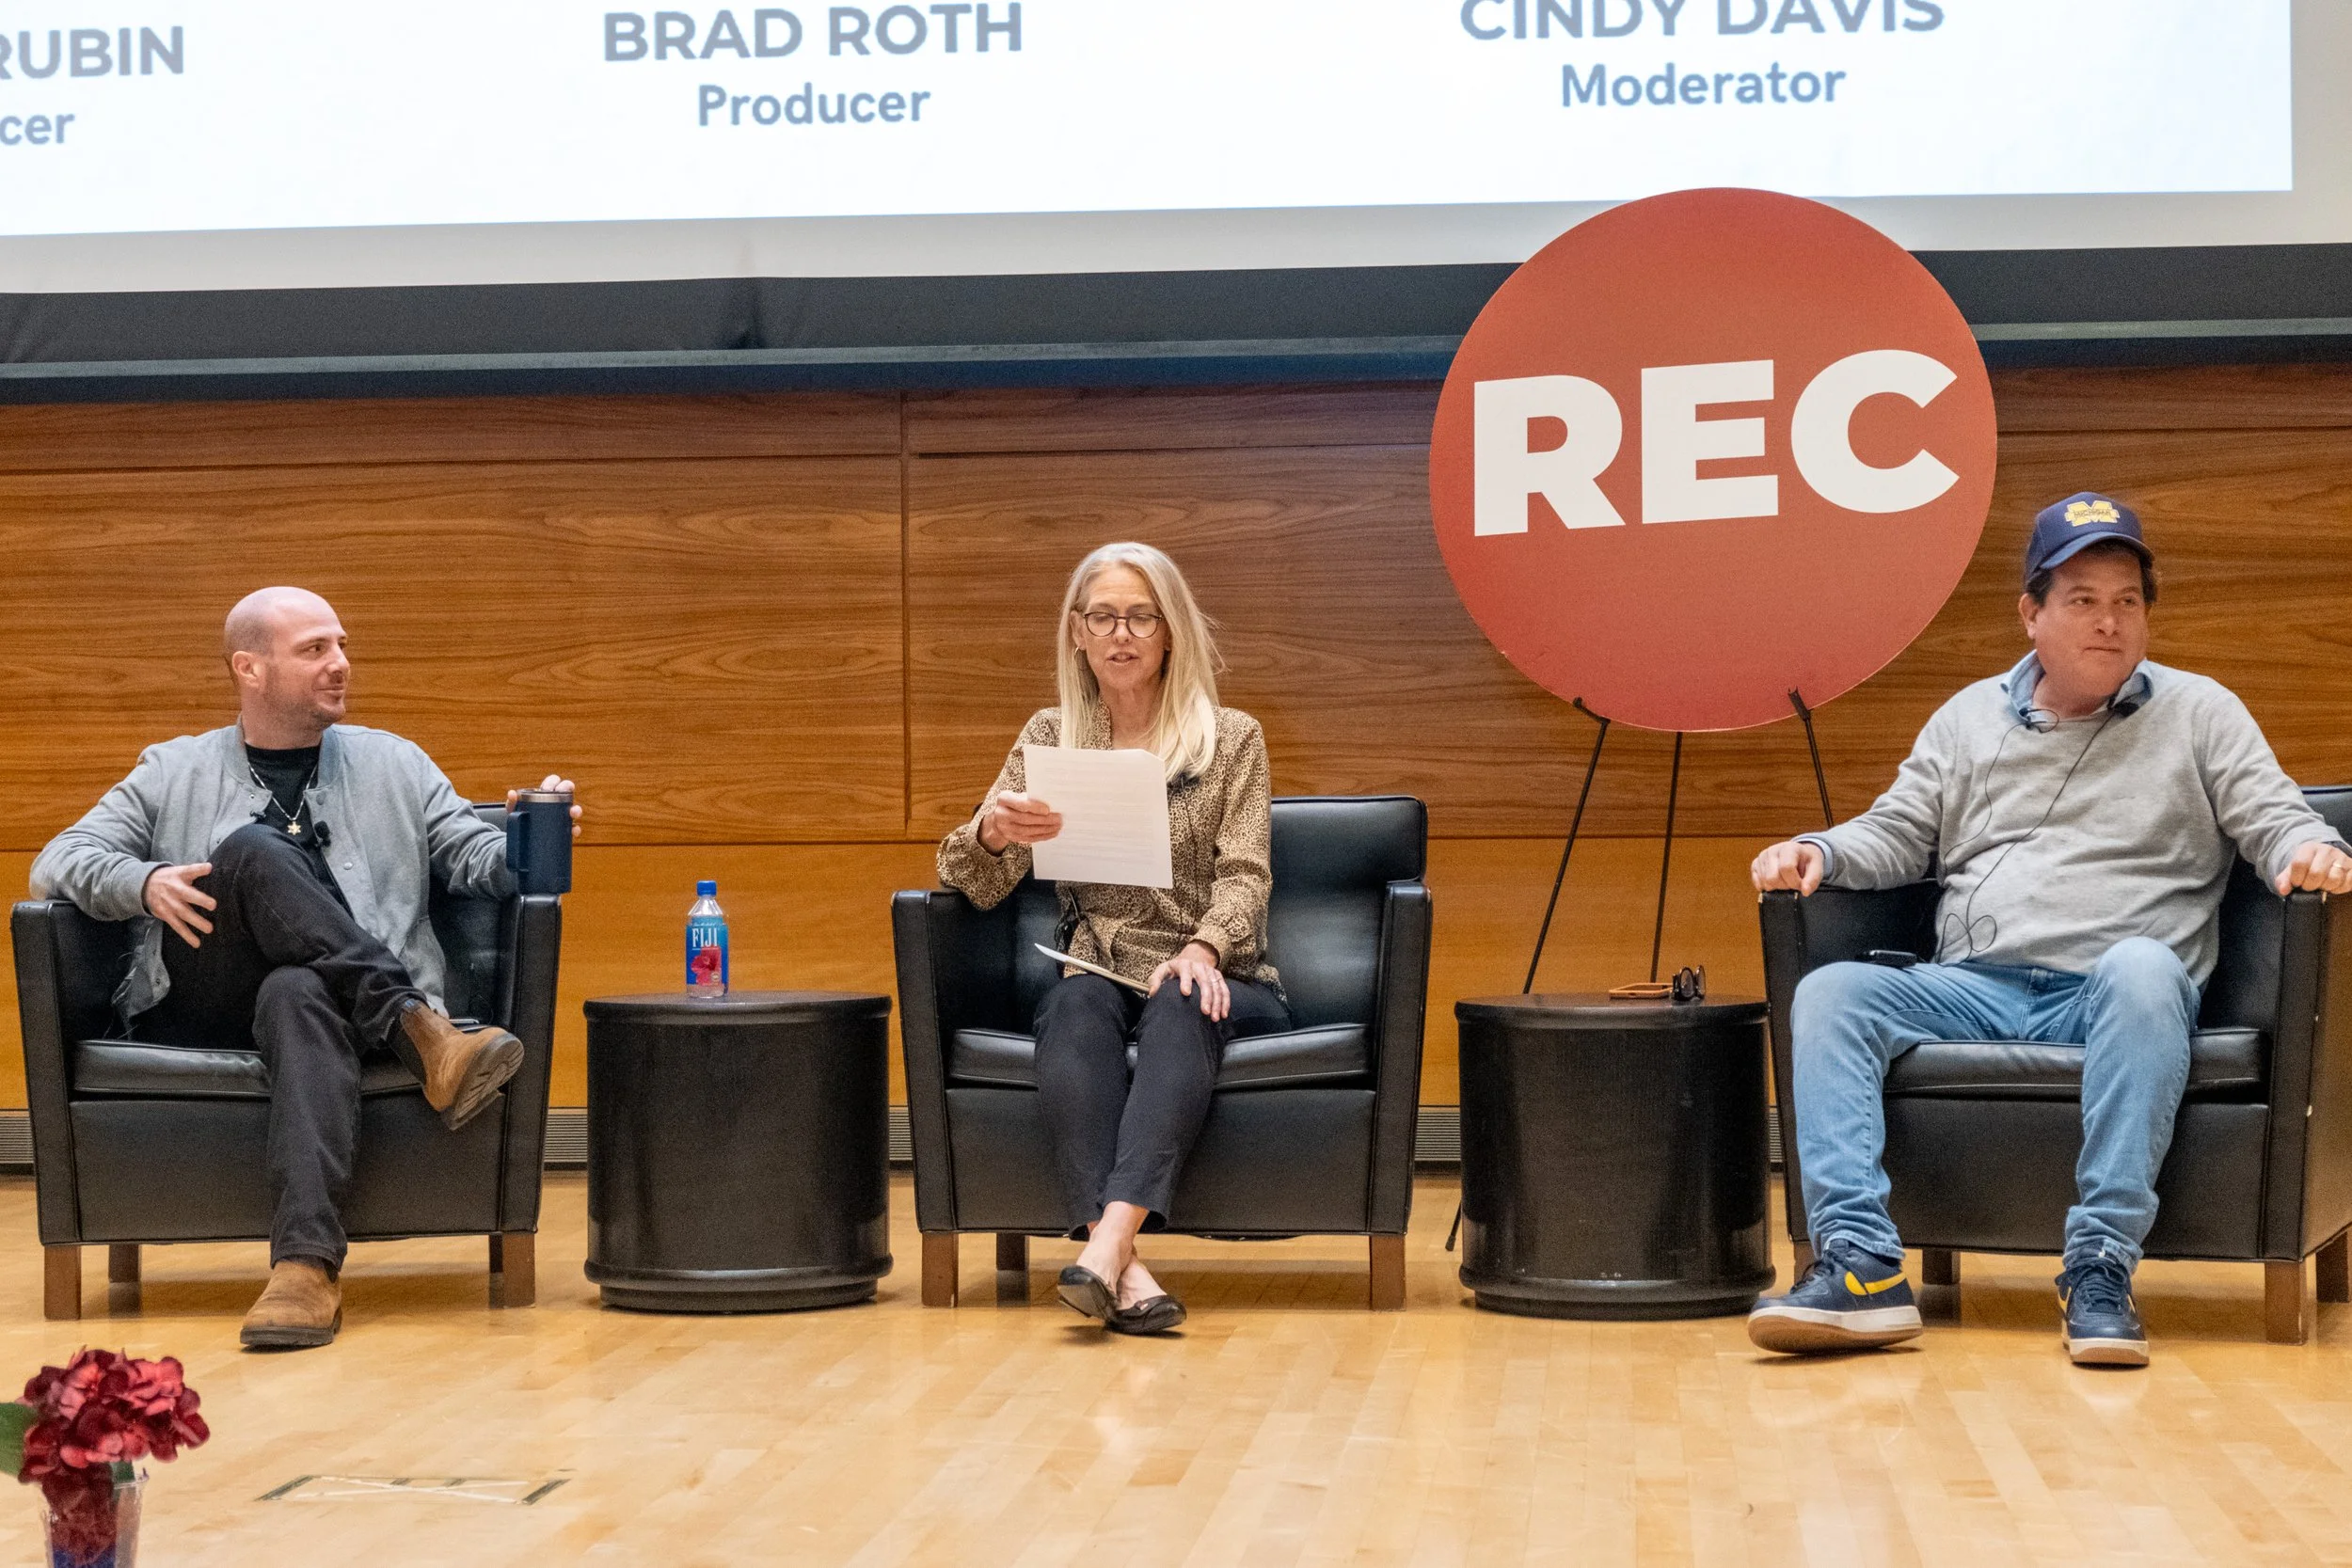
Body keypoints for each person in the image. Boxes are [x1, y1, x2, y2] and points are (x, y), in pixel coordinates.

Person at [1745, 495, 2352, 1368]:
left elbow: (2278, 818)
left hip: (2117, 992)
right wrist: (1818, 850)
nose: (2109, 622)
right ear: (2031, 613)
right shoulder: (1965, 720)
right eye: (2081, 599)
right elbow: (1899, 830)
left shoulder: (2201, 711)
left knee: (2146, 968)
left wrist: (2313, 851)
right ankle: (1862, 1266)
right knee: (1833, 992)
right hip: (1976, 986)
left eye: (2128, 601)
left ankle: (2100, 1264)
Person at [31, 587, 582, 1352]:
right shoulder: (173, 769)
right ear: (249, 667)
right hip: (206, 998)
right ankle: (419, 1030)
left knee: (297, 988)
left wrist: (529, 835)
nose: (341, 664)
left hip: (321, 1013)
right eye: (315, 649)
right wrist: (145, 882)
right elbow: (57, 861)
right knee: (253, 850)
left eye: (343, 645)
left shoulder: (395, 762)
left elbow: (474, 857)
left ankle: (304, 1270)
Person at [937, 542, 1287, 1336]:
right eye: (1104, 616)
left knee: (1177, 998)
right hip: (1095, 962)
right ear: (1077, 633)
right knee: (1073, 1011)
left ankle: (1104, 1244)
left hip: (1214, 969)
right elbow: (976, 880)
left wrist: (1204, 948)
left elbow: (1247, 874)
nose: (1121, 633)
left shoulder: (1232, 738)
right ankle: (1121, 1268)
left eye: (1140, 616)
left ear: (1170, 632)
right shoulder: (1052, 736)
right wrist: (992, 832)